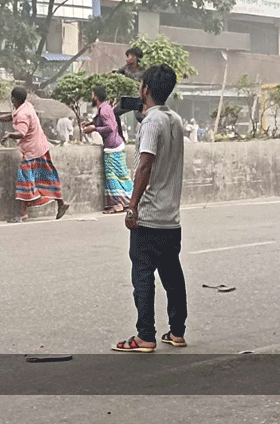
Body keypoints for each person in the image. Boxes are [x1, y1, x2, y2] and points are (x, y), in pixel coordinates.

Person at [113, 65, 187, 353]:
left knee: (142, 274)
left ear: (145, 89)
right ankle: (177, 331)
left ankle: (145, 335)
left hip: (150, 216)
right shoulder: (176, 120)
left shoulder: (151, 123)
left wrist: (132, 208)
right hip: (171, 217)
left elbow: (144, 164)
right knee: (172, 274)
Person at [0, 87, 70, 223]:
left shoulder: (22, 114)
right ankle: (61, 202)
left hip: (32, 152)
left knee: (24, 182)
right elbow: (11, 116)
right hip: (40, 147)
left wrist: (9, 134)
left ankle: (23, 214)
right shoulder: (26, 106)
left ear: (13, 99)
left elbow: (22, 132)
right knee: (47, 177)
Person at [83, 85, 134, 214]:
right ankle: (131, 200)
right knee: (122, 175)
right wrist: (91, 123)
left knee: (112, 176)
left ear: (95, 96)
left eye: (92, 94)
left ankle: (118, 204)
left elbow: (110, 127)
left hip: (112, 147)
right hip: (117, 144)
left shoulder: (104, 109)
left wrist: (94, 128)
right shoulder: (105, 107)